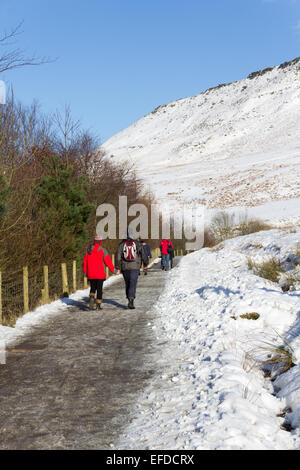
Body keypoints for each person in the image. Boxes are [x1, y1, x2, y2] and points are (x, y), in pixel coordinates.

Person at [115, 229, 149, 309]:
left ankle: (129, 298)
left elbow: (117, 256)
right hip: (135, 266)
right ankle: (131, 300)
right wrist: (145, 264)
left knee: (127, 283)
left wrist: (118, 267)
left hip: (125, 267)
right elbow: (144, 254)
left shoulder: (121, 244)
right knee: (133, 283)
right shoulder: (137, 244)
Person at [83, 235, 115, 310]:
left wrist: (85, 272)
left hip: (91, 273)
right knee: (99, 289)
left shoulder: (88, 250)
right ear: (100, 242)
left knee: (93, 287)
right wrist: (113, 270)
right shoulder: (103, 250)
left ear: (94, 241)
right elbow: (108, 262)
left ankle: (91, 297)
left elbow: (84, 262)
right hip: (100, 274)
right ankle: (98, 306)